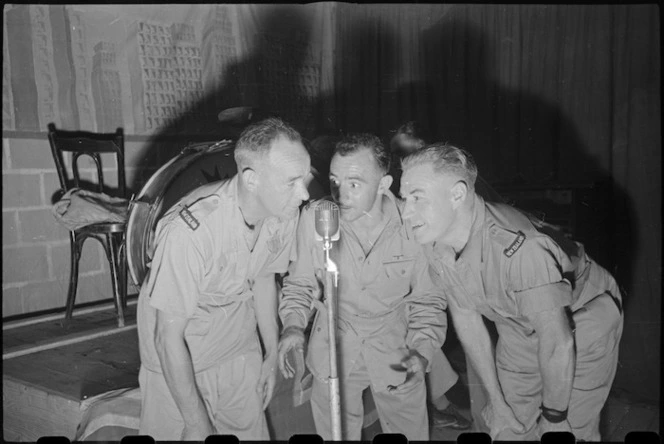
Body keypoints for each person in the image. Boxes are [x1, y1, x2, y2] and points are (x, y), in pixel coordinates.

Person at [399, 143, 624, 441]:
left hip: (580, 317)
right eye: (404, 199)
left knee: (569, 431)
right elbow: (467, 320)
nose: (405, 213)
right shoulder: (435, 242)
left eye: (418, 198)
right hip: (518, 324)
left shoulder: (520, 248)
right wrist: (498, 401)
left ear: (457, 195)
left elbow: (559, 342)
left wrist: (554, 418)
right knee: (508, 428)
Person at [136, 118, 311, 440]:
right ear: (252, 180)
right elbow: (167, 337)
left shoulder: (284, 211)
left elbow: (262, 280)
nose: (304, 193)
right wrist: (195, 422)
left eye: (306, 178)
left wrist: (271, 354)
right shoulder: (190, 231)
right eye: (291, 181)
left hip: (236, 347)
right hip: (178, 359)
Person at [277, 133, 446, 440]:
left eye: (354, 183)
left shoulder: (414, 224)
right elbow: (300, 284)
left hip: (397, 349)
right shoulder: (317, 218)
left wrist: (422, 352)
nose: (341, 194)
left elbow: (428, 299)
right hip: (335, 346)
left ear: (384, 184)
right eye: (334, 180)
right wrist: (292, 326)